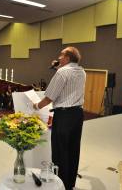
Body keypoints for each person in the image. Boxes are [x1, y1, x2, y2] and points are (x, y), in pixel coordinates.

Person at [33, 46, 86, 190]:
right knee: (73, 149)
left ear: (67, 57)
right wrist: (58, 67)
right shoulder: (81, 71)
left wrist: (37, 106)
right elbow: (67, 82)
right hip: (77, 115)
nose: (58, 58)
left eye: (61, 55)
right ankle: (70, 185)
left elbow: (50, 97)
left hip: (64, 116)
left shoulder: (62, 72)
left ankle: (60, 185)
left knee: (60, 151)